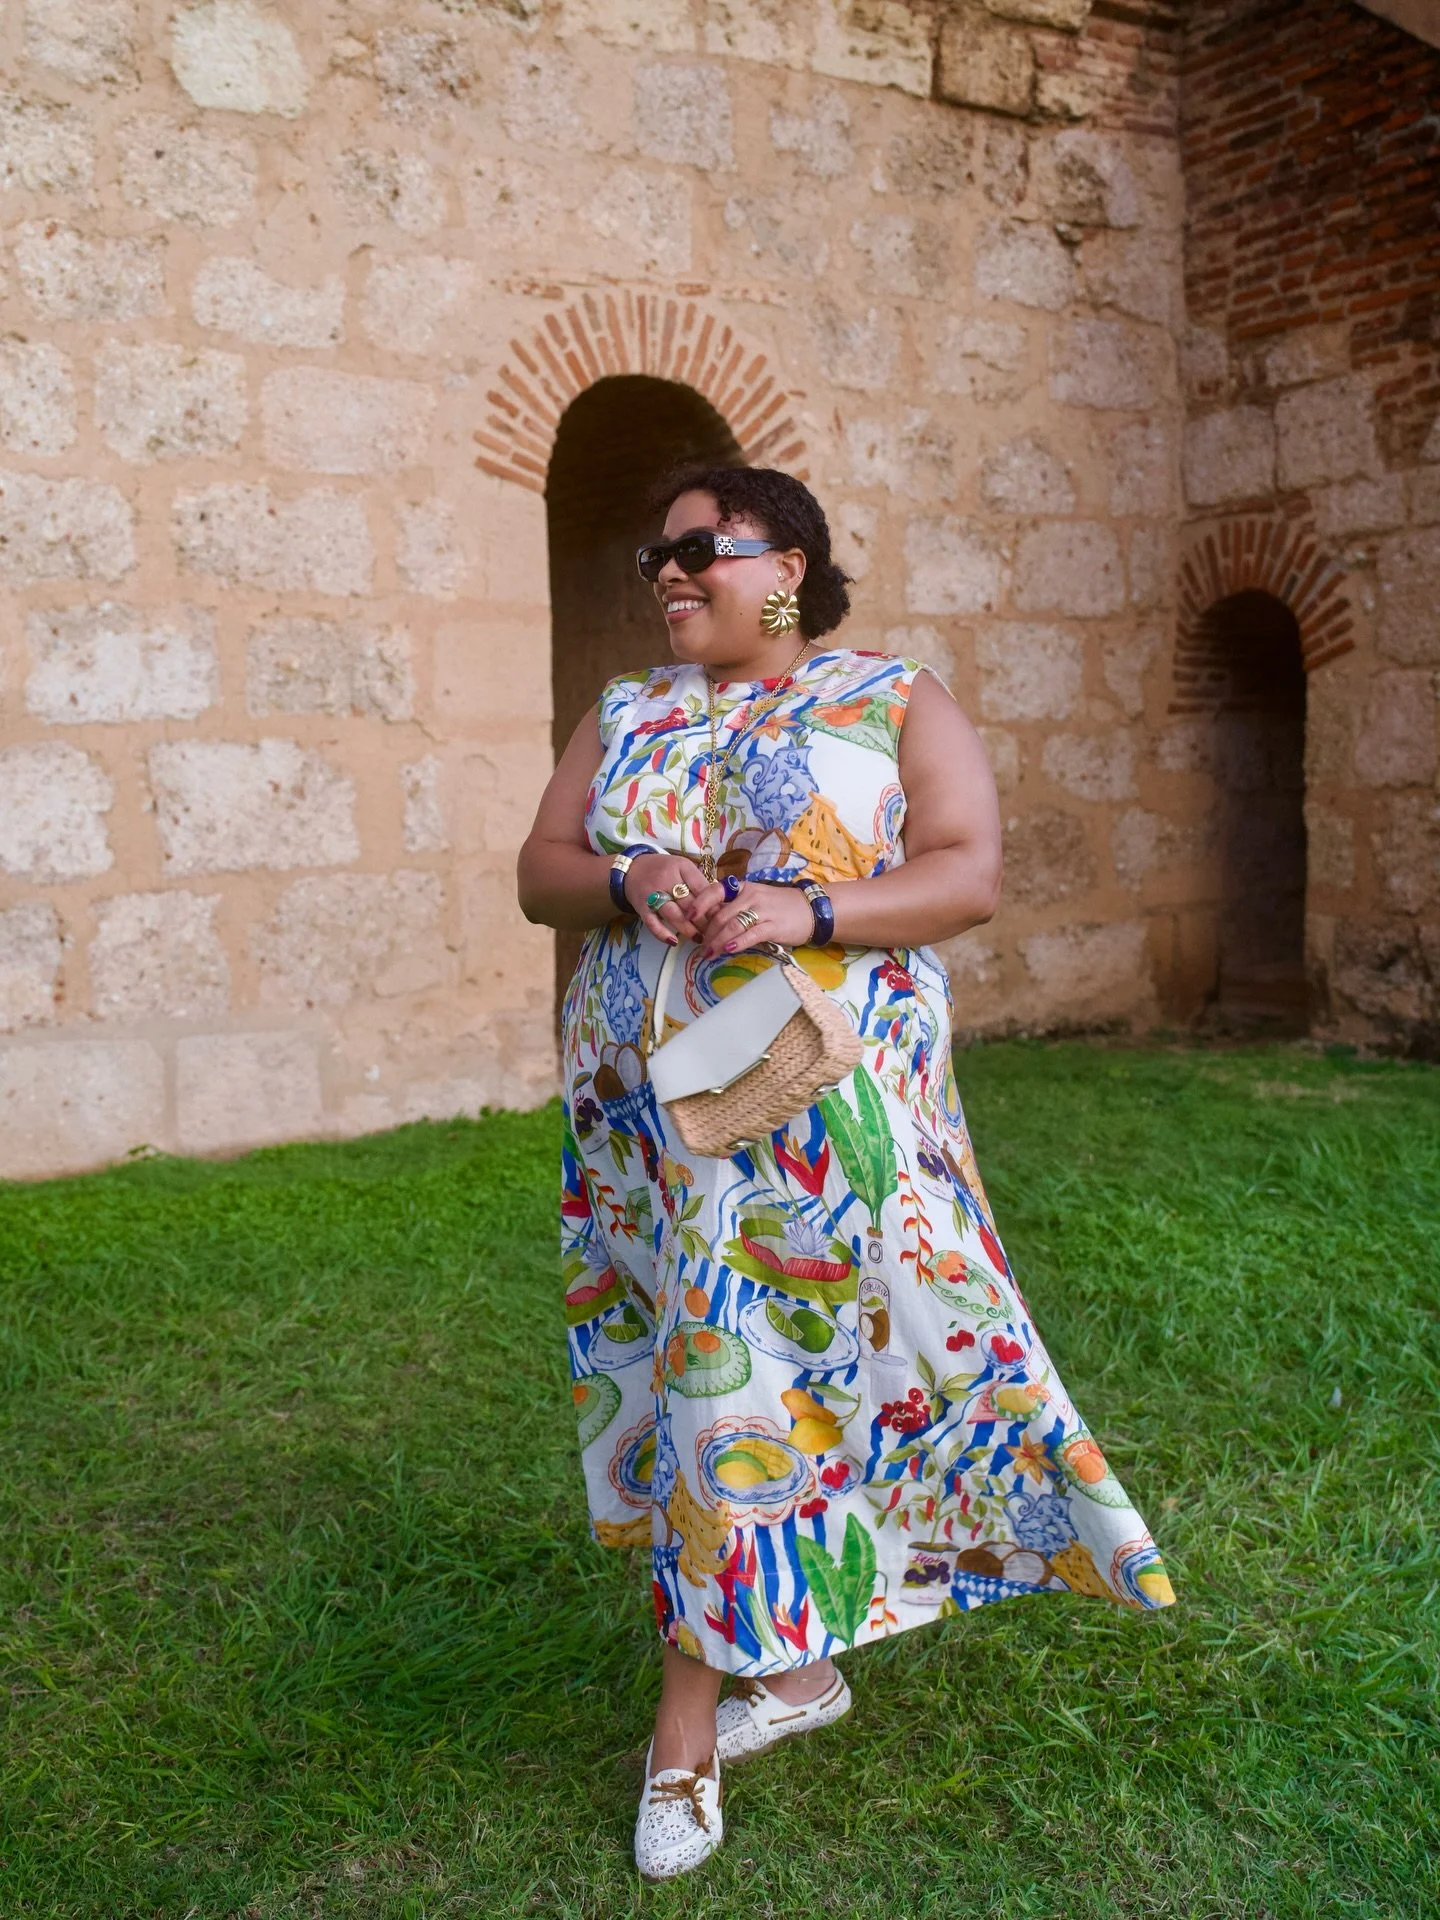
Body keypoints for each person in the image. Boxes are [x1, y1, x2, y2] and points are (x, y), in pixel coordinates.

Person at [517, 464, 1175, 1882]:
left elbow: (965, 871)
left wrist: (807, 905)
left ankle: (684, 1730)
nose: (671, 572)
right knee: (725, 1369)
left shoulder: (892, 700)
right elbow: (541, 869)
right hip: (644, 1123)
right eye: (658, 555)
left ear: (792, 566)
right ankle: (798, 1671)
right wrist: (634, 881)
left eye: (702, 548)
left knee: (731, 1374)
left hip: (820, 1113)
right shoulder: (626, 711)